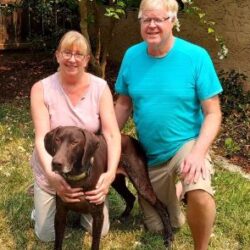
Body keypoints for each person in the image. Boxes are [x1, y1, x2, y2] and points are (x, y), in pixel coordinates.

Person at [114, 0, 222, 249]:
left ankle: (200, 246)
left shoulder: (196, 57)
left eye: (159, 19)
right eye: (146, 19)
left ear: (172, 21)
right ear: (140, 21)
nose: (152, 25)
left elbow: (213, 113)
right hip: (150, 155)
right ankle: (176, 191)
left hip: (187, 144)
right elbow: (123, 105)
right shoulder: (132, 56)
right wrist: (105, 141)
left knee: (199, 191)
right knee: (163, 225)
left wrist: (197, 153)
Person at [30, 30, 121, 242]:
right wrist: (53, 179)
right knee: (45, 235)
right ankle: (41, 201)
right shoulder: (41, 89)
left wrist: (109, 174)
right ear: (57, 56)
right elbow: (41, 137)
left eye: (79, 54)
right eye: (67, 53)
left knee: (101, 229)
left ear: (87, 59)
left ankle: (76, 207)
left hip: (86, 173)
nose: (72, 59)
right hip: (52, 169)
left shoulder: (100, 88)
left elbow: (112, 134)